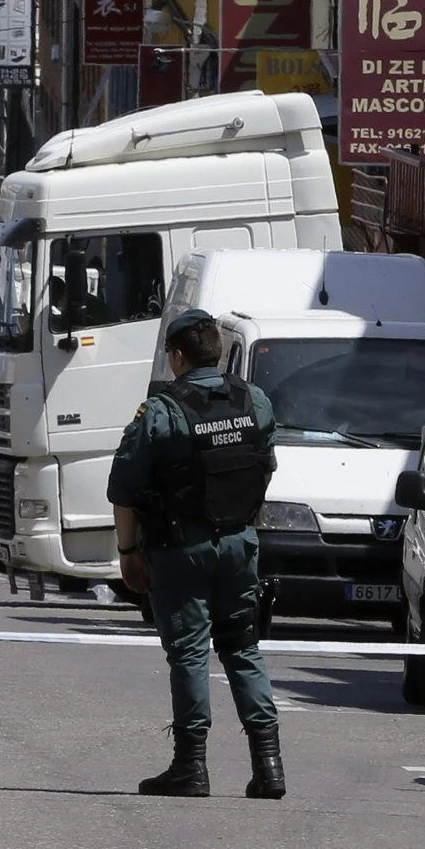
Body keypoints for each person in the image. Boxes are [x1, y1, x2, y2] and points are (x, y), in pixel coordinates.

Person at [108, 309, 283, 799]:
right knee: (242, 647)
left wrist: (127, 552)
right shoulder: (255, 401)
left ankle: (191, 767)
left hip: (181, 548)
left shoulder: (162, 411)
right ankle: (269, 765)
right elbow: (264, 467)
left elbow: (123, 489)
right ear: (220, 353)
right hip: (240, 544)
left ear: (178, 356)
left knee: (188, 654)